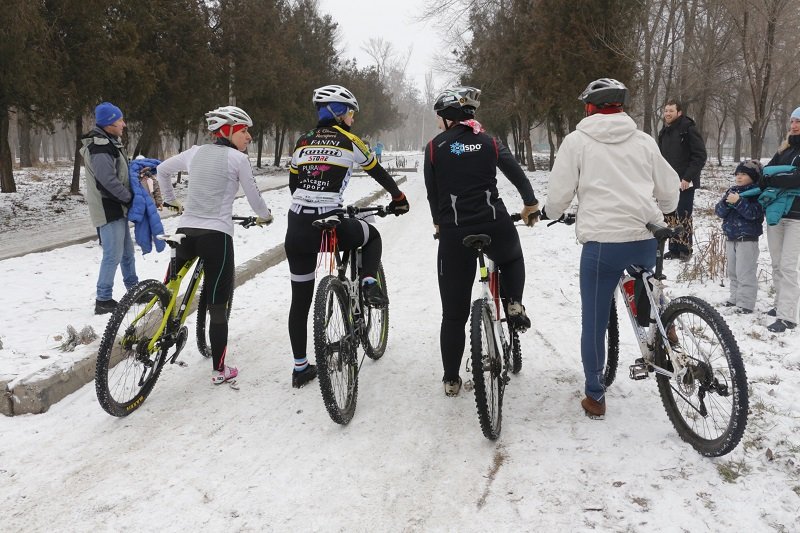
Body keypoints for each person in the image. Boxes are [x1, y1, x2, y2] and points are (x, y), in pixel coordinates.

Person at [543, 78, 679, 419]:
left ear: (590, 107)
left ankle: (595, 396)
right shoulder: (644, 141)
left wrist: (551, 212)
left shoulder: (576, 142)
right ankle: (665, 324)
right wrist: (660, 203)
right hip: (645, 236)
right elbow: (669, 191)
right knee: (645, 285)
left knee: (595, 320)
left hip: (603, 245)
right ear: (621, 107)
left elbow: (559, 197)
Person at [285, 84, 409, 389]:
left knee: (300, 300)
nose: (352, 118)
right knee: (372, 237)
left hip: (298, 227)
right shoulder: (351, 141)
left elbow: (292, 185)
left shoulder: (302, 142)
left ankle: (300, 368)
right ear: (336, 112)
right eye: (350, 112)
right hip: (331, 223)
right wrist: (399, 197)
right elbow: (378, 172)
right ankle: (368, 281)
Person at [423, 86, 540, 397]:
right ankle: (513, 302)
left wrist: (439, 222)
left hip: (454, 232)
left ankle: (451, 379)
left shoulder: (434, 148)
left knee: (453, 313)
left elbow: (433, 194)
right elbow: (516, 174)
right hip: (495, 224)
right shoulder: (490, 142)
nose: (437, 121)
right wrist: (530, 204)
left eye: (439, 116)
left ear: (449, 118)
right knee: (512, 257)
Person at [156, 105, 273, 385]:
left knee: (170, 287)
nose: (249, 137)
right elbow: (254, 197)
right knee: (218, 306)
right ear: (228, 131)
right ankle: (220, 371)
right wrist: (265, 216)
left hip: (185, 230)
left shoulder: (194, 152)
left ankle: (159, 322)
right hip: (216, 237)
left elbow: (161, 170)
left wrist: (171, 201)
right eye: (244, 131)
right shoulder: (238, 159)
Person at [80, 102, 138, 315]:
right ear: (109, 122)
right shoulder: (100, 146)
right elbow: (106, 181)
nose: (124, 124)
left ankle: (134, 290)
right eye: (120, 120)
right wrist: (129, 198)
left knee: (127, 253)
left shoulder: (110, 142)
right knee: (113, 254)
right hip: (108, 208)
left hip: (117, 206)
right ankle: (103, 299)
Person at [759, 106, 800, 333]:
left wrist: (776, 177)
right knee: (776, 264)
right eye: (792, 121)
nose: (794, 125)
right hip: (776, 214)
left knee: (788, 266)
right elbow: (767, 172)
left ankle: (788, 316)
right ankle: (780, 305)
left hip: (796, 218)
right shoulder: (785, 149)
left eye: (798, 121)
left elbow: (796, 178)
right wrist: (776, 176)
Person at [657, 99, 707, 260]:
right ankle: (674, 248)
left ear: (679, 113)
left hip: (685, 181)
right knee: (670, 215)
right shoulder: (665, 131)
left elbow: (700, 155)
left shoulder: (687, 129)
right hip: (668, 182)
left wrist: (688, 177)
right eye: (666, 111)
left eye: (671, 111)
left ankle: (685, 249)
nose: (667, 114)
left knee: (683, 215)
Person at [714, 160, 764, 314]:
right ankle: (734, 298)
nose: (739, 177)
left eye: (743, 174)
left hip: (747, 239)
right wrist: (726, 203)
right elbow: (719, 212)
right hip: (731, 237)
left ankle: (746, 304)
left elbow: (754, 214)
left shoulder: (757, 193)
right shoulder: (732, 191)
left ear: (753, 177)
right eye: (737, 174)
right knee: (733, 271)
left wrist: (739, 202)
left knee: (745, 271)